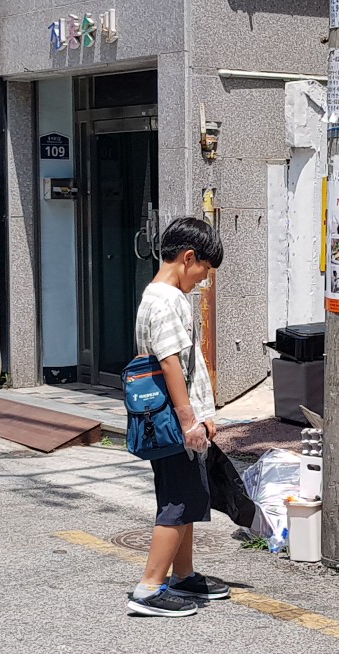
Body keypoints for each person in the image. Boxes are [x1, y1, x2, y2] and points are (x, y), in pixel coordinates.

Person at [126, 216, 230, 618]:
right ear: (189, 258)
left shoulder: (154, 295)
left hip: (159, 418)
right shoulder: (168, 301)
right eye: (204, 269)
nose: (203, 279)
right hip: (172, 420)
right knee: (177, 500)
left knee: (186, 497)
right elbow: (171, 363)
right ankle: (149, 588)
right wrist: (191, 421)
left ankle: (183, 575)